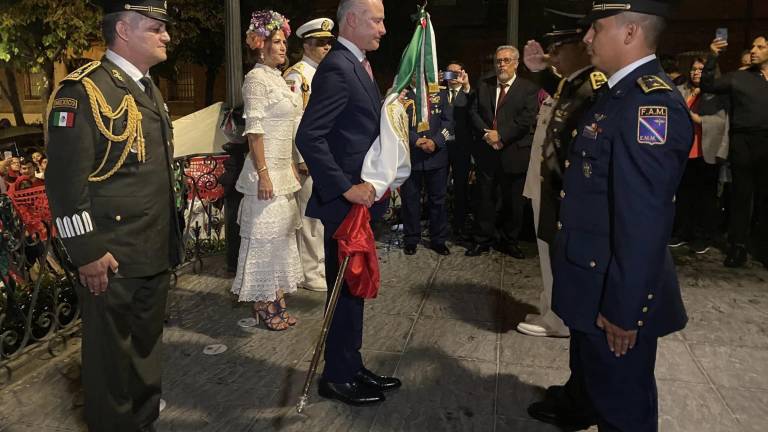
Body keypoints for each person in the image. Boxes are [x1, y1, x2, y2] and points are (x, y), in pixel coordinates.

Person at [533, 1, 693, 430]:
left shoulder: (648, 106)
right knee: (598, 381)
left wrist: (624, 311)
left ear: (630, 33)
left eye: (596, 28)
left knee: (623, 410)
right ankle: (579, 404)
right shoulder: (616, 94)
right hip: (592, 279)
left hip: (614, 294)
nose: (586, 38)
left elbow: (643, 222)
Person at [44, 1, 183, 430]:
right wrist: (86, 252)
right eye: (155, 28)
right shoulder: (83, 91)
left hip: (152, 247)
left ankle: (143, 421)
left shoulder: (146, 86)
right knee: (109, 364)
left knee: (145, 352)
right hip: (110, 256)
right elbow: (64, 183)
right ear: (123, 30)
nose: (166, 36)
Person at [296, 0, 401, 406]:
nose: (383, 29)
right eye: (377, 20)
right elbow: (310, 136)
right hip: (345, 206)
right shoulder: (339, 67)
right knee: (344, 291)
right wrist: (345, 188)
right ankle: (337, 377)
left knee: (353, 288)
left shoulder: (356, 63)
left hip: (359, 201)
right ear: (353, 20)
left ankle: (351, 365)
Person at [518, 3, 605, 341]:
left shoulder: (590, 87)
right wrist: (545, 68)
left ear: (581, 47)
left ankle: (559, 319)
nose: (551, 55)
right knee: (547, 254)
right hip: (548, 184)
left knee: (556, 255)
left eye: (558, 48)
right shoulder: (570, 84)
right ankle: (550, 308)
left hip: (561, 190)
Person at [230, 10, 303, 331]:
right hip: (264, 174)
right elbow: (255, 131)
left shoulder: (277, 78)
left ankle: (277, 297)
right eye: (276, 41)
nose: (283, 46)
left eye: (284, 41)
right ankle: (263, 301)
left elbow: (286, 129)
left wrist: (291, 164)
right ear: (260, 45)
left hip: (282, 172)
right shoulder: (256, 79)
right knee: (264, 239)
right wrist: (263, 173)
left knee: (281, 240)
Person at [465, 45, 539, 258]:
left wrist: (501, 136)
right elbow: (473, 112)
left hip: (514, 153)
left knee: (513, 202)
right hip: (487, 152)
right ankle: (482, 240)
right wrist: (487, 135)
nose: (501, 65)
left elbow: (526, 120)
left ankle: (509, 241)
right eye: (498, 61)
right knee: (484, 199)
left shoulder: (528, 88)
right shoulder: (484, 84)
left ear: (516, 63)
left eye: (506, 60)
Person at [702, 35, 768, 268]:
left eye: (760, 47)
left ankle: (763, 247)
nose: (753, 50)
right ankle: (737, 247)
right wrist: (712, 56)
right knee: (741, 197)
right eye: (753, 46)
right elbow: (707, 85)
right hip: (744, 142)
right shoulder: (740, 77)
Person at [284, 17, 336, 292]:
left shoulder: (324, 72)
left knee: (322, 215)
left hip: (326, 154)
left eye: (329, 42)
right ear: (306, 45)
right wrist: (300, 157)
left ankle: (322, 266)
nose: (327, 47)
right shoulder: (297, 76)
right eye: (321, 42)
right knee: (309, 217)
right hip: (309, 156)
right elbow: (293, 120)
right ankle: (309, 272)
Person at [669, 56, 729, 254]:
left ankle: (701, 236)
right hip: (684, 151)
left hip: (707, 150)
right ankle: (681, 232)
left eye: (701, 69)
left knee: (705, 197)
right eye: (694, 69)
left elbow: (724, 122)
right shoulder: (681, 90)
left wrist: (700, 120)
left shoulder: (719, 93)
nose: (696, 72)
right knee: (683, 194)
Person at [400, 81, 452, 256]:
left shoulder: (441, 93)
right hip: (411, 157)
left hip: (436, 156)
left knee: (438, 201)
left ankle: (438, 240)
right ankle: (411, 239)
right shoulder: (402, 95)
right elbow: (397, 123)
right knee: (410, 200)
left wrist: (436, 142)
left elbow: (448, 122)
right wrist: (415, 140)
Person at [443, 61, 474, 240]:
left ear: (463, 73)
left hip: (461, 148)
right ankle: (439, 225)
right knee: (439, 188)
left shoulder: (469, 93)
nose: (453, 76)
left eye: (457, 72)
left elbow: (475, 111)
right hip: (442, 147)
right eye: (450, 73)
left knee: (461, 188)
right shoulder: (438, 93)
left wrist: (467, 86)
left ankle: (459, 225)